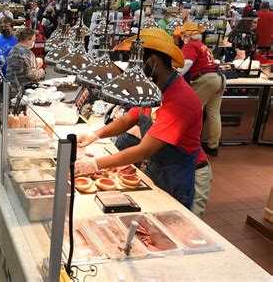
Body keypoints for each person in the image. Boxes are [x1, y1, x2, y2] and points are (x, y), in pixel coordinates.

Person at [76, 28, 207, 210]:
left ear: (153, 62)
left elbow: (143, 151)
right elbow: (130, 118)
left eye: (135, 65)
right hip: (159, 167)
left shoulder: (180, 100)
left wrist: (94, 164)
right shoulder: (150, 89)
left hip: (183, 173)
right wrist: (95, 135)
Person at [179, 21, 225, 157]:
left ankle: (187, 144)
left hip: (206, 80)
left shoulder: (190, 46)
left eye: (182, 34)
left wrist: (173, 76)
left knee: (192, 112)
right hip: (219, 78)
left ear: (186, 35)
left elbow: (186, 64)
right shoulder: (202, 45)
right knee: (214, 114)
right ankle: (213, 146)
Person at [6, 28, 45, 92]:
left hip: (11, 88)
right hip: (23, 90)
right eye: (33, 40)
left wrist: (35, 64)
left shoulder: (13, 49)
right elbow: (31, 75)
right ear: (27, 40)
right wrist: (42, 71)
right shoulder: (27, 53)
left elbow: (21, 68)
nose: (33, 43)